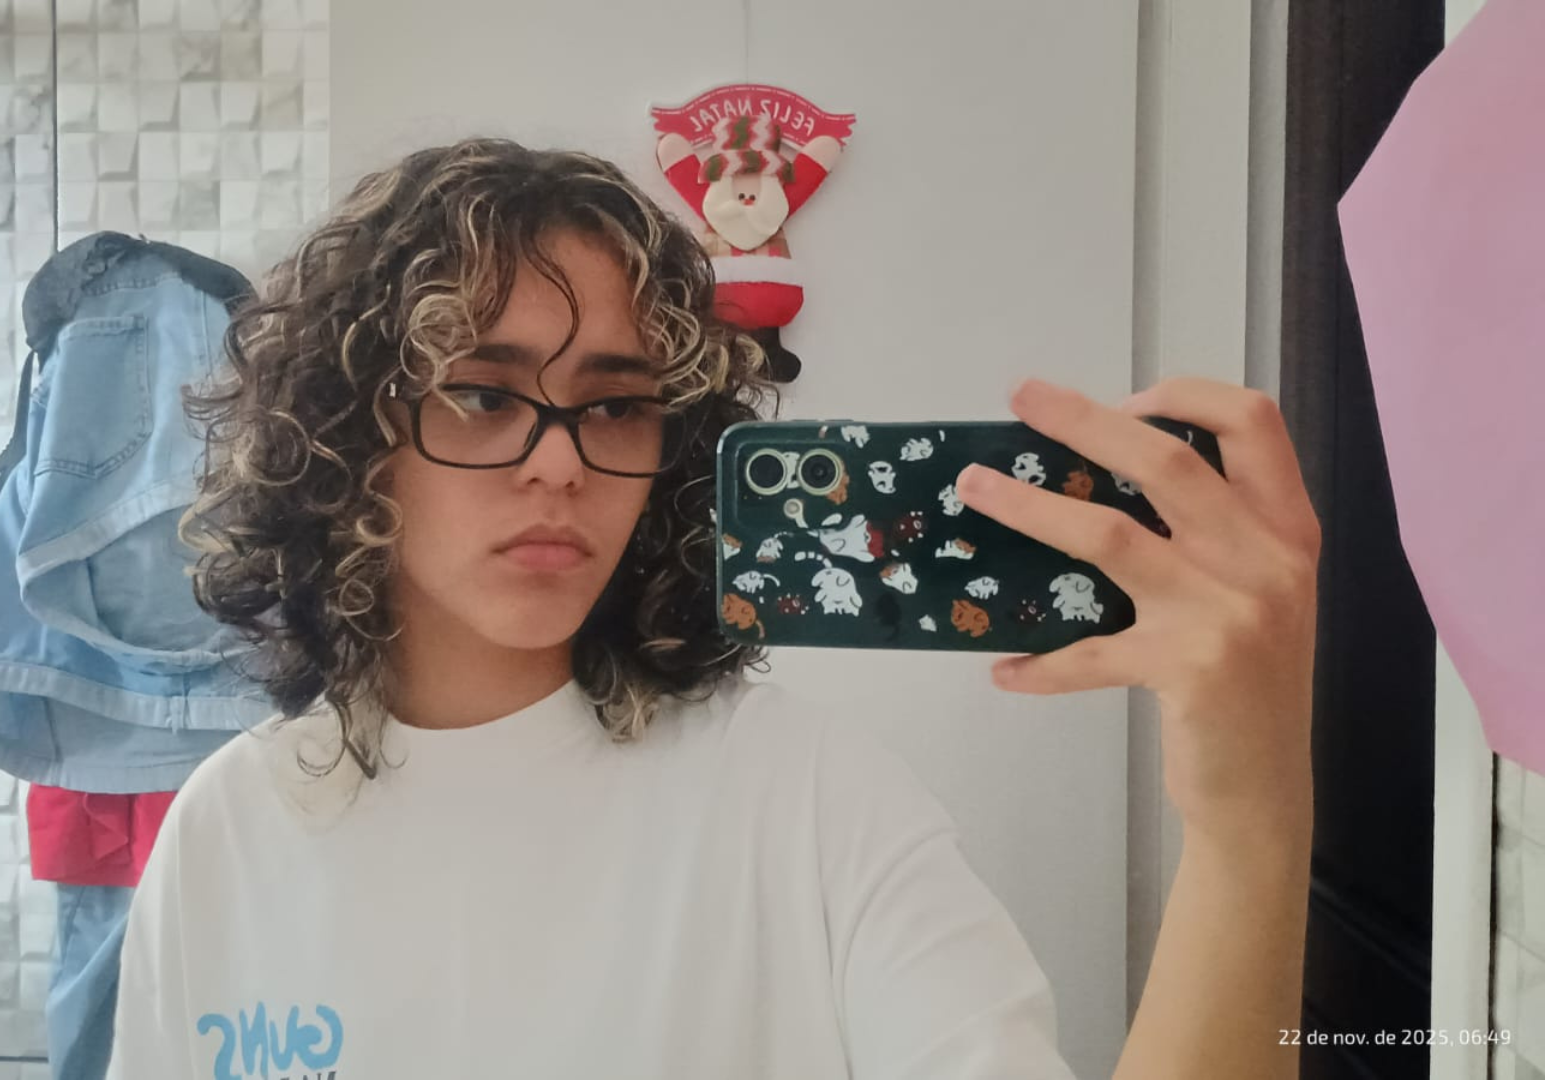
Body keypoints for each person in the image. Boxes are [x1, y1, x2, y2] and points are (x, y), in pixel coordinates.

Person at [106, 139, 1320, 1079]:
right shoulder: (229, 830)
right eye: (482, 394)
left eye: (615, 405)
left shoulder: (810, 803)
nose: (561, 462)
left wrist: (1250, 827)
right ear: (345, 439)